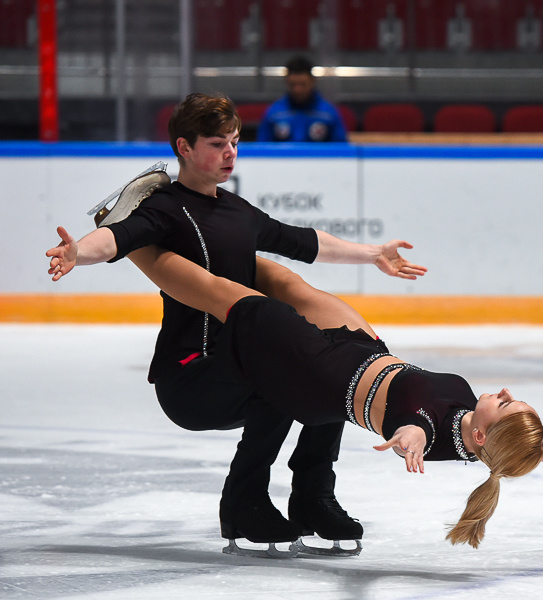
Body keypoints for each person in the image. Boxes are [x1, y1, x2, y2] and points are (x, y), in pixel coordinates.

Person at [80, 243, 543, 550]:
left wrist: (406, 442)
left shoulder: (433, 426)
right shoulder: (490, 443)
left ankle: (129, 235)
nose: (507, 393)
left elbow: (414, 432)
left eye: (507, 405)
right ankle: (203, 232)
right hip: (364, 349)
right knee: (281, 276)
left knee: (234, 298)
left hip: (320, 371)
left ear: (482, 436)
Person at [46, 92, 426, 553]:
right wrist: (77, 253)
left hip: (239, 363)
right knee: (289, 375)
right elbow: (117, 237)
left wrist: (372, 254)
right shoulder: (165, 209)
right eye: (216, 144)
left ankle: (312, 498)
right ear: (184, 147)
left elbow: (302, 241)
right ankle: (244, 504)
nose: (229, 154)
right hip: (191, 374)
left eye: (234, 142)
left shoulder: (236, 210)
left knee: (333, 372)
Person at [256, 56, 349, 143]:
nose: (298, 90)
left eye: (303, 84)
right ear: (286, 82)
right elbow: (262, 148)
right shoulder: (274, 113)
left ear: (312, 81)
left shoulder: (328, 113)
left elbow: (341, 149)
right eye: (293, 85)